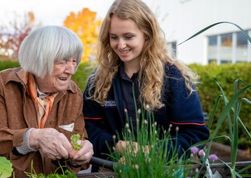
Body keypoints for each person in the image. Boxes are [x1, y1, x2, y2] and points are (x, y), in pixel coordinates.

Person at [83, 0, 209, 165]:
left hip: (164, 171)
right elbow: (88, 128)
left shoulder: (174, 77)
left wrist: (152, 152)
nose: (120, 45)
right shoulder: (98, 80)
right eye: (114, 37)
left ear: (147, 35)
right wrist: (115, 146)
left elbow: (195, 135)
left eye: (128, 37)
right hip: (110, 170)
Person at [0, 26, 93, 177]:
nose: (71, 69)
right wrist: (31, 138)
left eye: (74, 61)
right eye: (62, 61)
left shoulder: (73, 94)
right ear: (40, 59)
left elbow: (78, 147)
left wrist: (82, 155)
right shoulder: (4, 85)